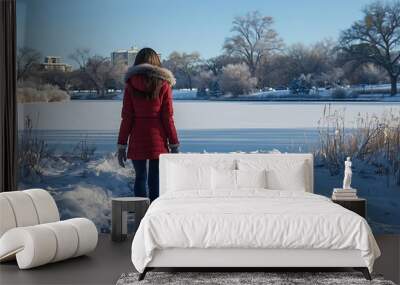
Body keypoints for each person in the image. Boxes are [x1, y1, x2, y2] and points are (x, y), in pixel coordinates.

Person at [117, 48, 179, 202]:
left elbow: (127, 117)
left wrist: (122, 144)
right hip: (157, 139)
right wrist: (174, 143)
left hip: (137, 138)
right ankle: (153, 213)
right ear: (157, 63)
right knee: (155, 180)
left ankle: (140, 214)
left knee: (140, 178)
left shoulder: (130, 85)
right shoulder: (164, 85)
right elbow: (167, 117)